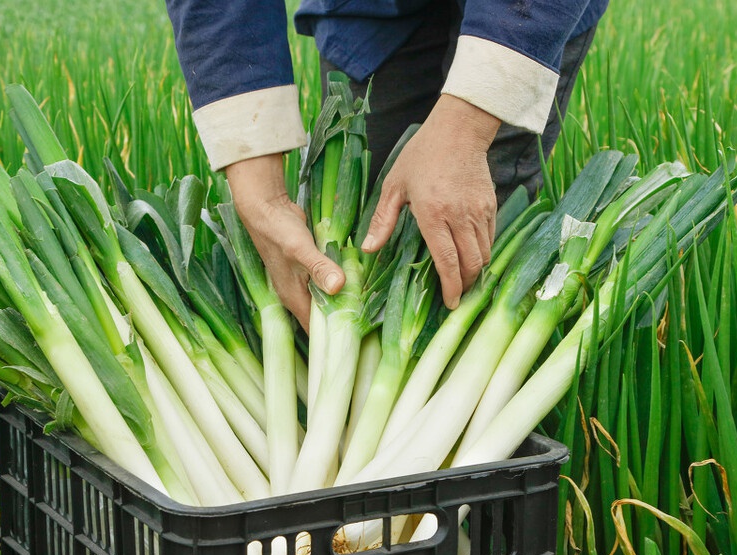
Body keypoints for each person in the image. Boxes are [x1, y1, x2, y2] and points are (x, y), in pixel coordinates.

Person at [165, 0, 608, 328]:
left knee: (464, 250)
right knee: (369, 238)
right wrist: (261, 190)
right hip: (367, 15)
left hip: (519, 13)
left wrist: (467, 127)